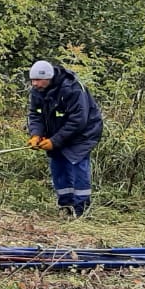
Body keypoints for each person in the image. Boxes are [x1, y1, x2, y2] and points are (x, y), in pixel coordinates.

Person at [26, 60, 103, 217]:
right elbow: (35, 115)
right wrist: (36, 134)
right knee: (58, 166)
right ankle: (65, 205)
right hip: (58, 134)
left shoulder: (72, 89)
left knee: (77, 166)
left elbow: (78, 121)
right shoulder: (37, 92)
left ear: (48, 78)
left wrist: (54, 141)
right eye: (32, 80)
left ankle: (81, 210)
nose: (34, 84)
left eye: (37, 80)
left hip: (83, 134)